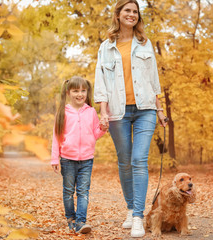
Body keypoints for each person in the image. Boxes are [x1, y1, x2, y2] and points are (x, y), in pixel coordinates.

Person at [94, 0, 167, 238]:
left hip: (146, 108)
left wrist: (160, 109)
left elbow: (154, 80)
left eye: (135, 12)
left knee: (139, 160)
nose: (132, 15)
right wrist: (103, 111)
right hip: (118, 111)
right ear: (118, 14)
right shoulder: (106, 47)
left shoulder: (145, 45)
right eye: (127, 10)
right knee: (124, 162)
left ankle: (138, 216)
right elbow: (101, 82)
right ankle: (130, 208)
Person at [51, 76, 107, 234]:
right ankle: (71, 218)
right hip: (68, 159)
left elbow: (95, 134)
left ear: (87, 92)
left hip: (87, 159)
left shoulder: (90, 112)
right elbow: (56, 137)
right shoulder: (63, 112)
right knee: (68, 191)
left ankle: (81, 222)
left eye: (83, 90)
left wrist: (103, 128)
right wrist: (55, 158)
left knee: (83, 191)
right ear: (69, 92)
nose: (80, 94)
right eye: (76, 91)